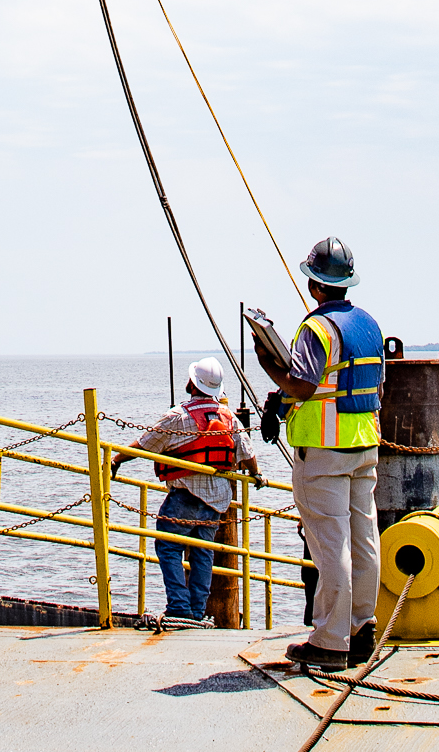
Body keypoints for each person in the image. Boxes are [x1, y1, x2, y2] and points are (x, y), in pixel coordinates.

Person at [253, 236, 384, 675]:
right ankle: (363, 630)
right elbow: (354, 386)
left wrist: (268, 364)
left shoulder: (317, 329)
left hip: (324, 451)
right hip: (364, 443)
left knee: (331, 545)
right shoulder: (367, 326)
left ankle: (330, 642)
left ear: (314, 284)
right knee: (365, 540)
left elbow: (304, 385)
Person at [112, 357, 260, 626]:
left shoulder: (178, 416)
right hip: (217, 500)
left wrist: (116, 460)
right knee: (203, 552)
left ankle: (179, 607)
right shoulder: (228, 417)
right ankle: (196, 611)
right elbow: (247, 452)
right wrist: (256, 474)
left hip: (186, 495)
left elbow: (145, 444)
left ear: (193, 382)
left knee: (168, 547)